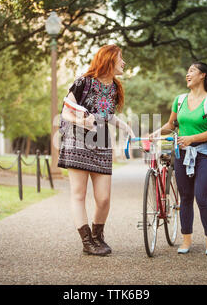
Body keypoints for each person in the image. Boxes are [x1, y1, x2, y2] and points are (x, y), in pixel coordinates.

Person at [58, 44, 134, 256]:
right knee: (79, 194)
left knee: (103, 198)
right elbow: (66, 112)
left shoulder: (115, 88)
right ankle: (87, 242)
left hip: (101, 140)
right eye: (121, 58)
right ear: (109, 59)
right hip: (77, 140)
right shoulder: (83, 82)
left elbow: (108, 115)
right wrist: (82, 122)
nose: (124, 63)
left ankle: (98, 236)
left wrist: (127, 128)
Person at [149, 62, 207, 255]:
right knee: (186, 197)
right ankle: (186, 240)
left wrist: (192, 138)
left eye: (192, 71)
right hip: (181, 155)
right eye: (187, 71)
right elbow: (171, 124)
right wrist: (156, 132)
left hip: (203, 154)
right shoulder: (180, 100)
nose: (187, 74)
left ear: (203, 76)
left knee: (201, 197)